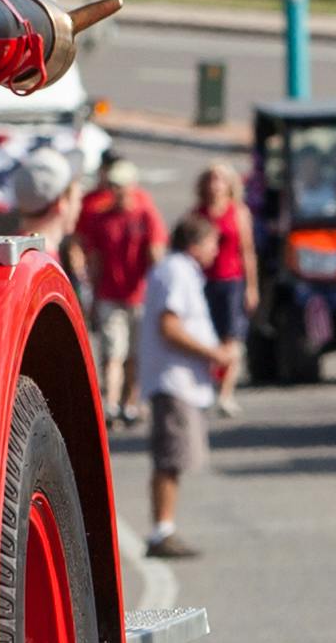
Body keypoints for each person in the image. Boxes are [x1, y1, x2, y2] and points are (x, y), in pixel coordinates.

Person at [135, 209, 225, 563]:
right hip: (174, 381)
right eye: (212, 243)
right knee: (170, 457)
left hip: (181, 381)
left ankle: (165, 528)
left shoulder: (182, 271)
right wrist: (212, 352)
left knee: (174, 457)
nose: (215, 252)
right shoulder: (176, 271)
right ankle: (162, 529)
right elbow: (169, 326)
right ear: (196, 242)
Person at [75, 153, 163, 428]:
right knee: (113, 352)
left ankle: (131, 403)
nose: (115, 191)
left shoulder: (145, 214)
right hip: (109, 295)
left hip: (139, 295)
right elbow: (95, 259)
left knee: (135, 355)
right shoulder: (102, 218)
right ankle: (111, 404)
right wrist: (91, 293)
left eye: (120, 186)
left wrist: (159, 292)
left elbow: (157, 254)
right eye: (113, 186)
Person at [194, 159, 254, 418]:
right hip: (204, 282)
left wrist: (252, 286)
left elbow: (247, 252)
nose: (215, 185)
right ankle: (208, 386)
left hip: (232, 281)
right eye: (211, 178)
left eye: (219, 179)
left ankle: (226, 393)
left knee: (232, 336)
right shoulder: (198, 214)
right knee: (207, 337)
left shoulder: (238, 212)